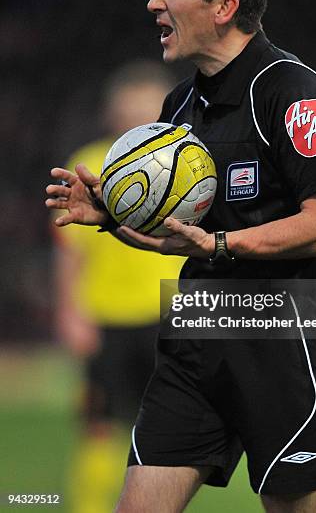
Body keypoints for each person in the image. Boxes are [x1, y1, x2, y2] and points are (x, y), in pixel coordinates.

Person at [46, 0, 316, 513]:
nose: (153, 3)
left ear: (223, 7)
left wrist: (221, 241)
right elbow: (182, 240)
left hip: (280, 346)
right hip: (195, 343)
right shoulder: (180, 107)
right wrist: (112, 217)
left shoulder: (294, 93)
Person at [52, 60, 186, 513]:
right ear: (111, 114)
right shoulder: (86, 165)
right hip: (105, 315)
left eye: (146, 112)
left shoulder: (184, 164)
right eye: (127, 112)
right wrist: (70, 311)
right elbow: (70, 250)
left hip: (166, 314)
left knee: (168, 426)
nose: (136, 121)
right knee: (99, 425)